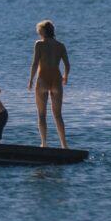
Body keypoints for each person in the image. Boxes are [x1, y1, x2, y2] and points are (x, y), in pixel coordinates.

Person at [28, 19, 70, 148]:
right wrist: (65, 77)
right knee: (58, 115)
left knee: (41, 114)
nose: (38, 33)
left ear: (44, 32)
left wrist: (30, 79)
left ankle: (44, 143)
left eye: (39, 31)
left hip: (42, 80)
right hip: (56, 80)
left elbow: (35, 63)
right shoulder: (60, 45)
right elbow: (67, 65)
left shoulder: (39, 44)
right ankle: (64, 145)